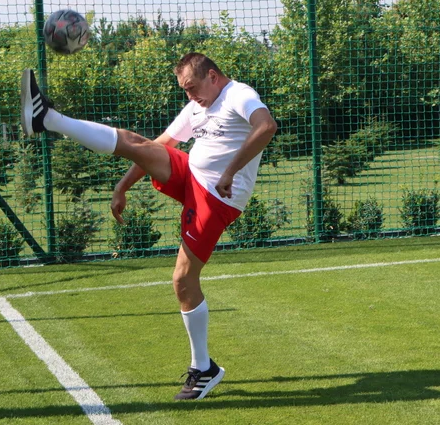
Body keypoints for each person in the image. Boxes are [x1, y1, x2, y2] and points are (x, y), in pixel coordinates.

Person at [21, 52, 277, 400]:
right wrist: (122, 187)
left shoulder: (239, 95)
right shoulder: (196, 108)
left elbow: (267, 127)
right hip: (191, 175)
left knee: (183, 280)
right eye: (184, 90)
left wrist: (230, 172)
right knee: (136, 141)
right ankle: (48, 117)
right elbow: (156, 147)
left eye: (192, 87)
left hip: (218, 197)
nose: (190, 96)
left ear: (213, 76)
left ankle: (204, 369)